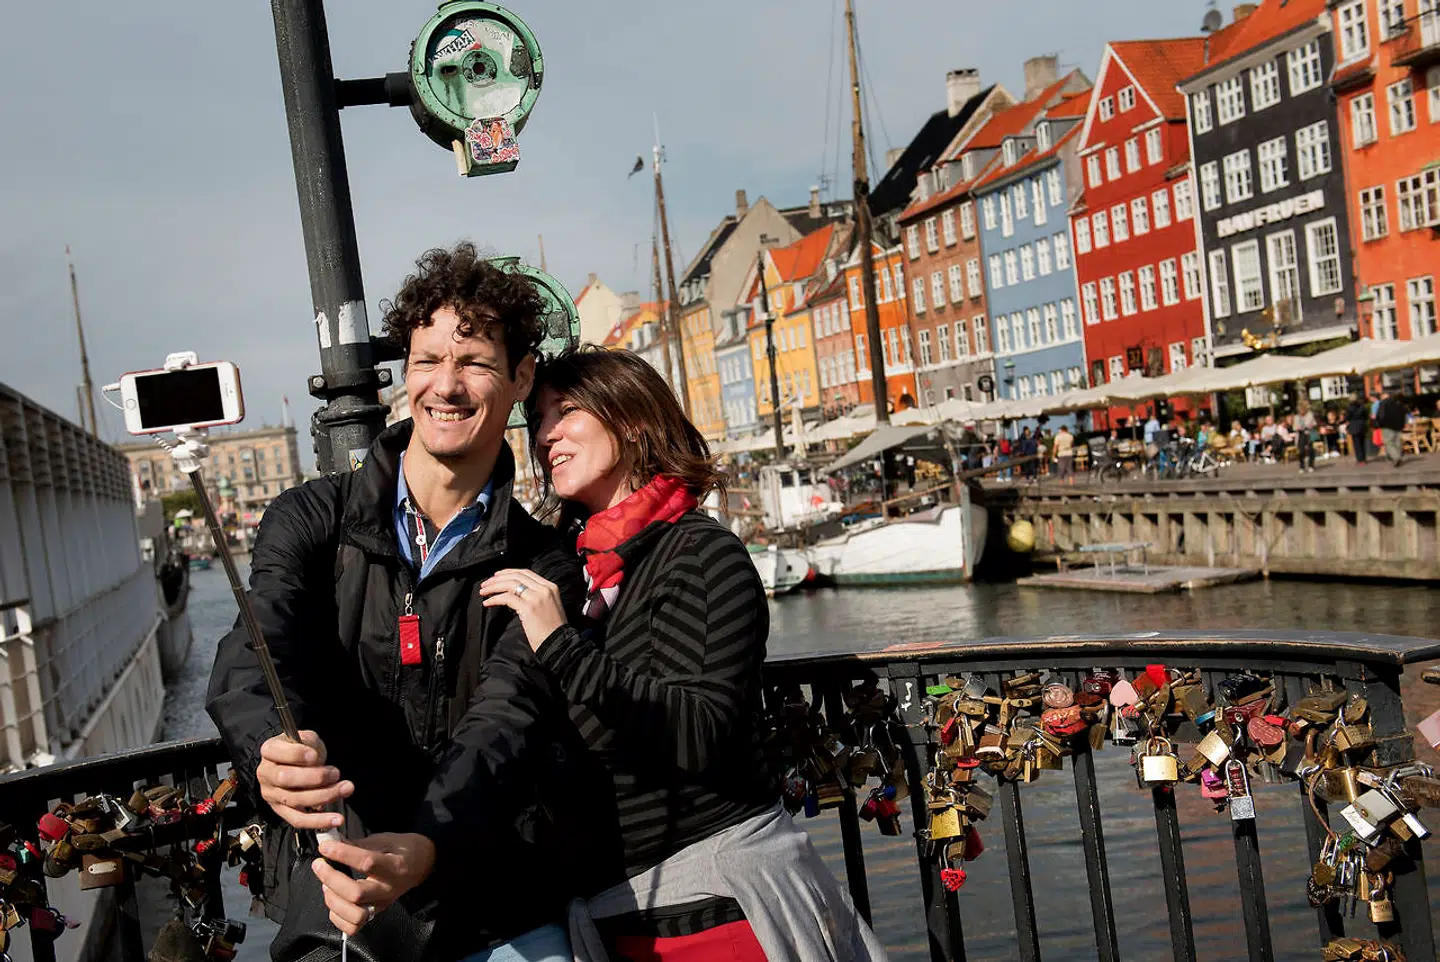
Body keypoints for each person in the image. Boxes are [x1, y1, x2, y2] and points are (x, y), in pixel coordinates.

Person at [206, 243, 587, 962]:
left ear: (520, 377)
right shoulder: (311, 519)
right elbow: (257, 650)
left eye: (473, 362)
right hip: (341, 897)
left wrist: (427, 846)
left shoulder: (544, 562)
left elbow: (507, 722)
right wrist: (270, 751)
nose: (445, 386)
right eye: (425, 361)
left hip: (492, 898)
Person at [476, 348, 887, 961]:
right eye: (537, 421)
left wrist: (562, 646)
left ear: (633, 421)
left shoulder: (699, 553)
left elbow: (697, 732)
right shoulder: (580, 569)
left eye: (564, 413)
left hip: (710, 902)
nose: (544, 436)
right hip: (619, 906)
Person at [1375, 389, 1408, 467]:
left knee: (1388, 442)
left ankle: (1396, 457)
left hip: (1387, 426)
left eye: (1381, 395)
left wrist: (1379, 423)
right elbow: (1404, 413)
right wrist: (1402, 424)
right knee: (1397, 442)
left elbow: (1381, 415)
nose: (1381, 397)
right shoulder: (1399, 403)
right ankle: (1397, 456)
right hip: (1398, 425)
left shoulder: (1383, 403)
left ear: (1385, 395)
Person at [1345, 393, 1370, 464]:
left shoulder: (1349, 408)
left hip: (1354, 426)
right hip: (1362, 426)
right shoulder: (1362, 406)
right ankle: (1364, 458)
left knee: (1356, 444)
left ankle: (1360, 460)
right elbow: (1366, 416)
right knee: (1362, 443)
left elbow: (1347, 417)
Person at [1295, 400, 1318, 473]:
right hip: (1301, 434)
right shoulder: (1296, 417)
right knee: (1301, 451)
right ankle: (1302, 467)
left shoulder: (1310, 415)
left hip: (1309, 433)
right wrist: (1298, 427)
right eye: (1300, 410)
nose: (1301, 411)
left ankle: (1311, 465)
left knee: (1310, 450)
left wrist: (1311, 426)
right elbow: (1295, 427)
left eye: (1302, 410)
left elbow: (1314, 423)